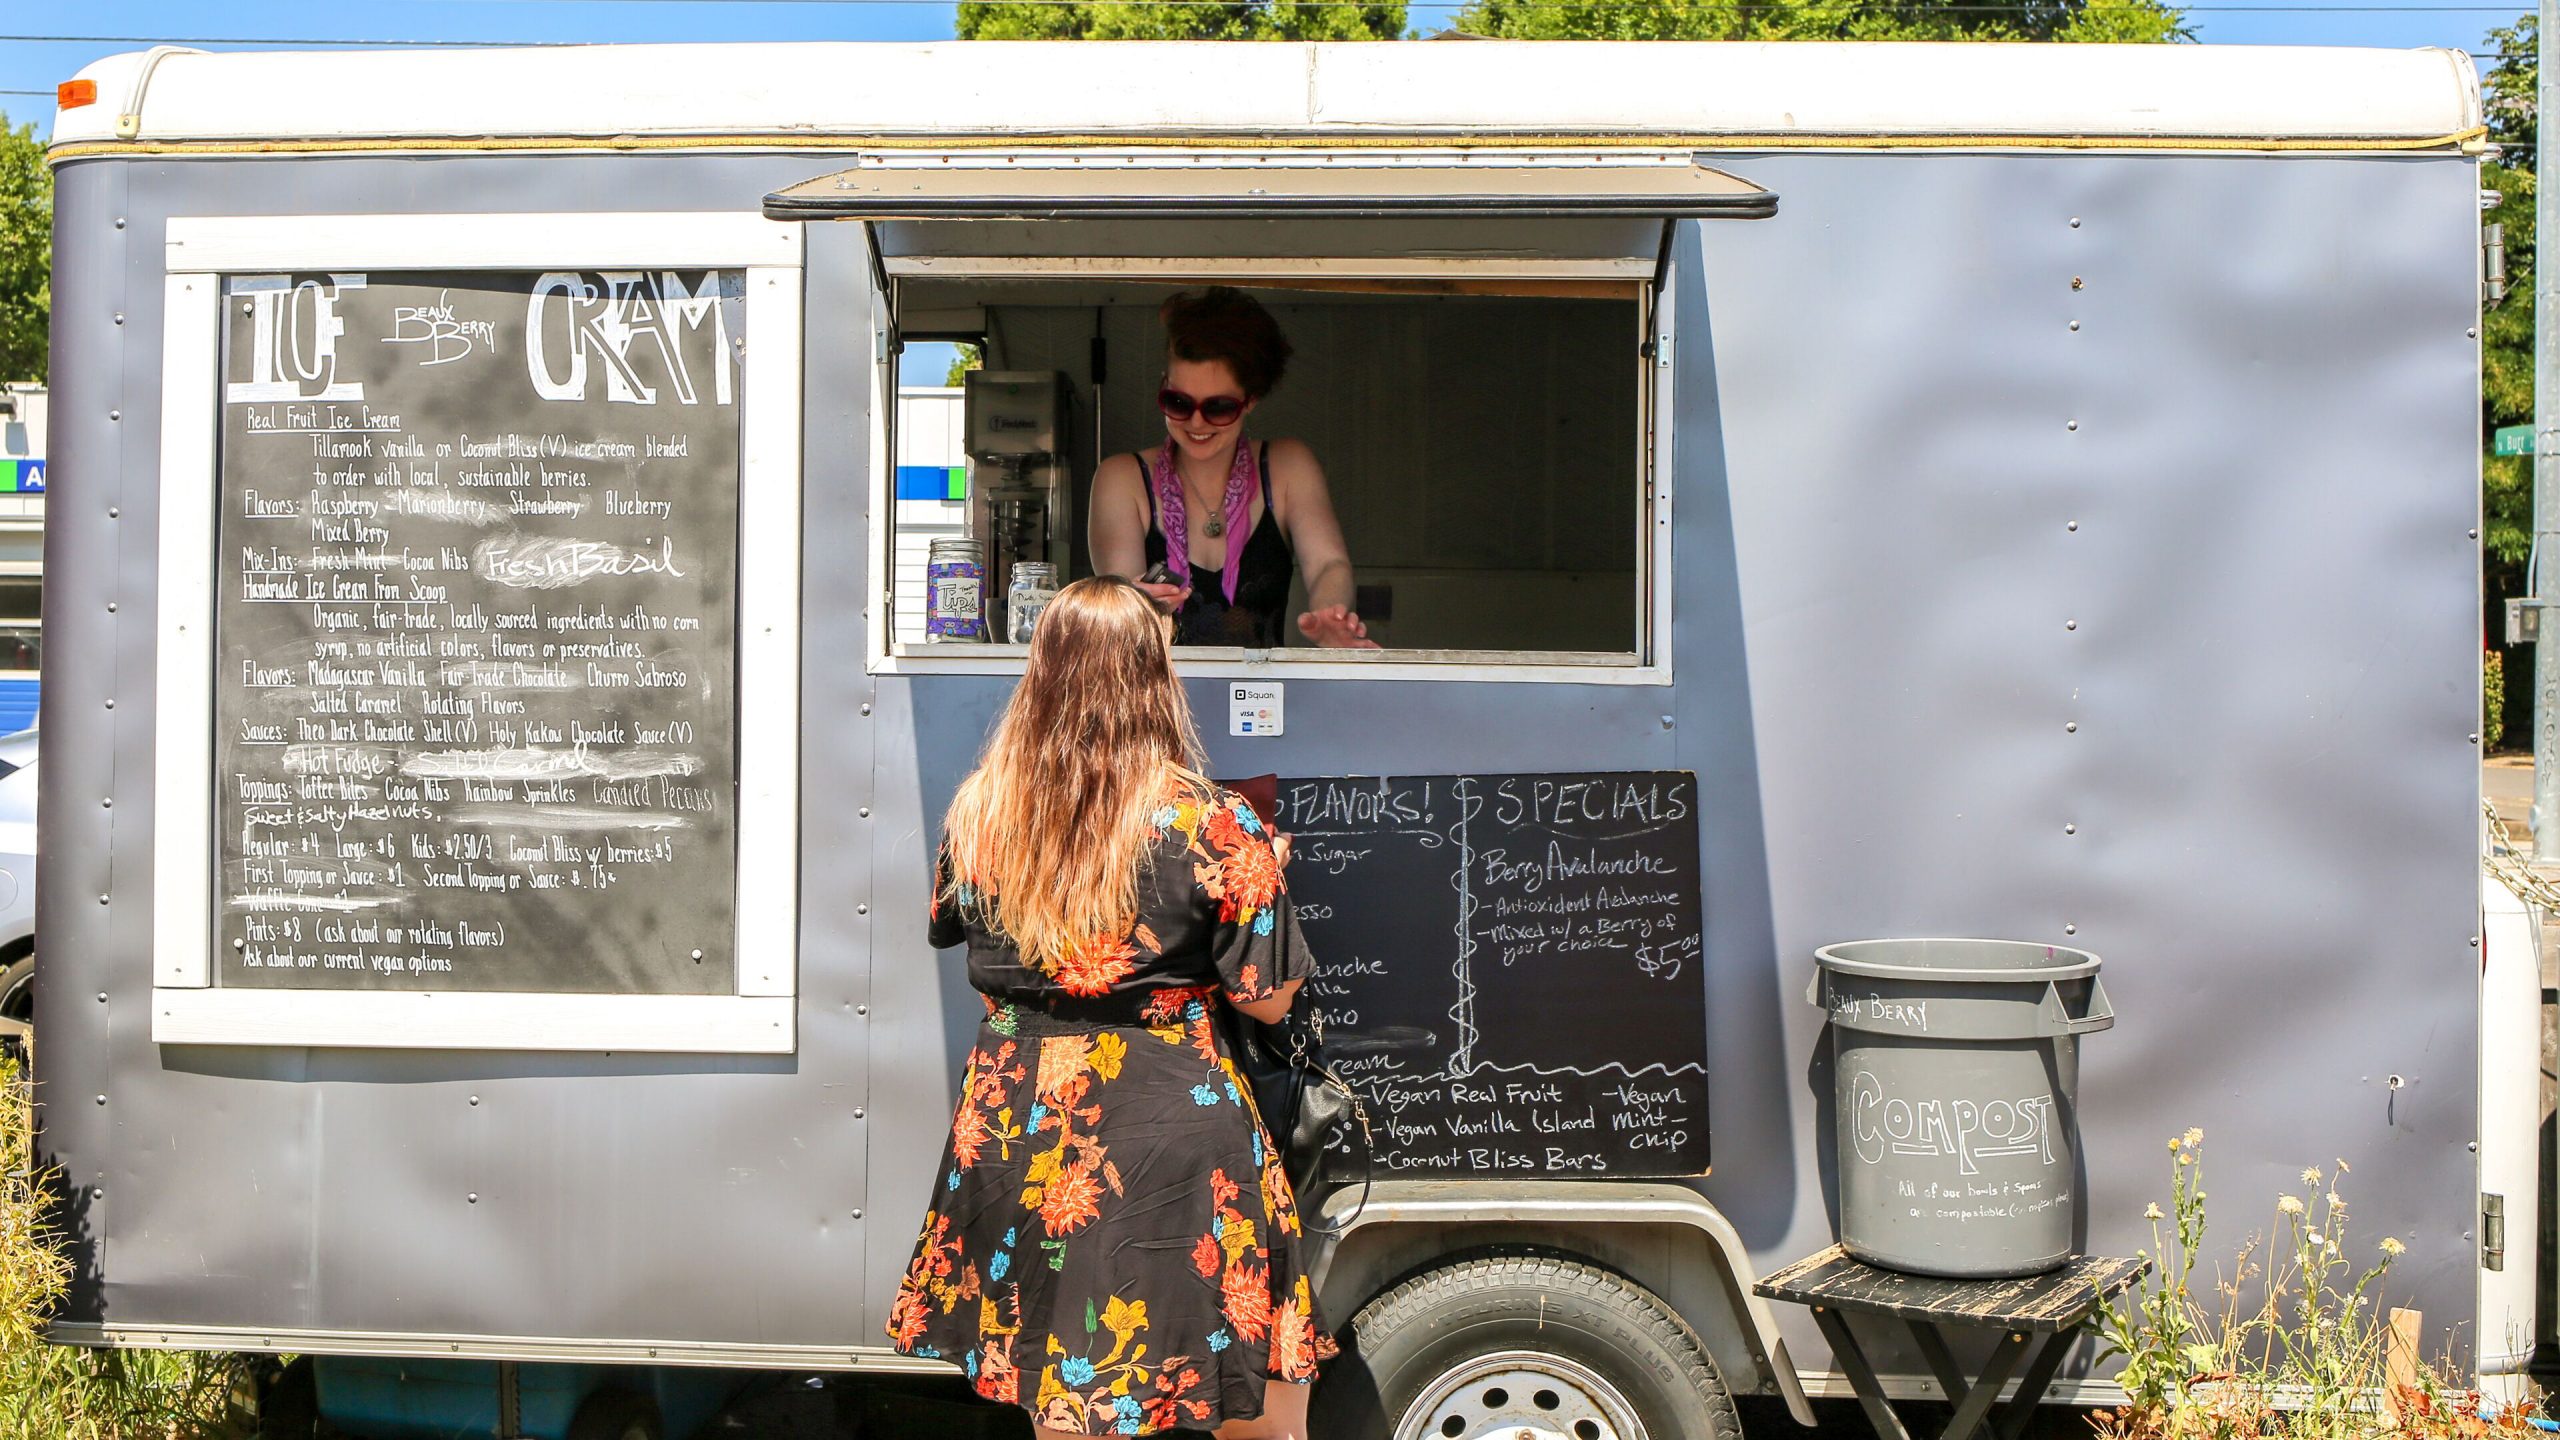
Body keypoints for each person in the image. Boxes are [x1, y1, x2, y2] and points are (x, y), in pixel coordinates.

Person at [888, 575, 1333, 1439]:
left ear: (1042, 670)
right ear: (1154, 674)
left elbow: (950, 926)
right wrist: (1265, 874)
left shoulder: (980, 813)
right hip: (1167, 1123)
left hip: (1018, 1122)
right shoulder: (1213, 824)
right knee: (1258, 1401)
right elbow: (1269, 1000)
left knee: (1063, 1394)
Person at [1091, 287, 1377, 649]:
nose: (1196, 422)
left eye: (1218, 407)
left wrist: (1329, 616)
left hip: (1262, 704)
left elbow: (1328, 564)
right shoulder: (1122, 477)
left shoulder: (1288, 466)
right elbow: (1118, 603)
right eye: (1178, 402)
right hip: (1153, 699)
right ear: (1163, 387)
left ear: (1251, 400)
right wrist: (1134, 604)